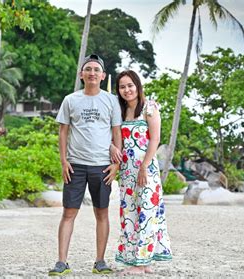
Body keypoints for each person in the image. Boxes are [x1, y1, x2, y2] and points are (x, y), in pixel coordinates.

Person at [48, 54, 122, 276]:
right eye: (88, 69)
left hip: (102, 167)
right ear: (82, 74)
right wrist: (63, 161)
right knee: (69, 213)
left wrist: (115, 165)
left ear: (103, 76)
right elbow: (63, 131)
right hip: (76, 166)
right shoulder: (71, 100)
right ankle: (62, 262)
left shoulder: (111, 100)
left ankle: (100, 261)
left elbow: (116, 132)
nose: (92, 73)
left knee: (102, 213)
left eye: (96, 70)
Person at [112, 70, 172, 275]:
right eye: (122, 87)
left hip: (146, 170)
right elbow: (116, 140)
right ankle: (139, 261)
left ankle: (142, 262)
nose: (127, 90)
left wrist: (144, 167)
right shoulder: (120, 112)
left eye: (130, 85)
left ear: (138, 86)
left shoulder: (149, 108)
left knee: (146, 213)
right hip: (127, 172)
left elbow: (155, 139)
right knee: (129, 213)